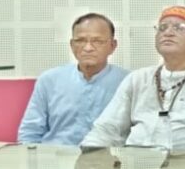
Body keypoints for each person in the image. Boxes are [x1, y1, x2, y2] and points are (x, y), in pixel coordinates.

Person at [82, 6, 185, 150]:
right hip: (134, 160)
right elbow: (107, 129)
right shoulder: (137, 79)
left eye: (179, 28)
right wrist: (88, 155)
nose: (168, 33)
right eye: (162, 28)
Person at [18, 13, 128, 145]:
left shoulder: (128, 82)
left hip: (109, 156)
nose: (88, 48)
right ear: (72, 45)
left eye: (97, 41)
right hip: (55, 155)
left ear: (112, 46)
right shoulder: (49, 80)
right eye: (80, 41)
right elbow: (30, 132)